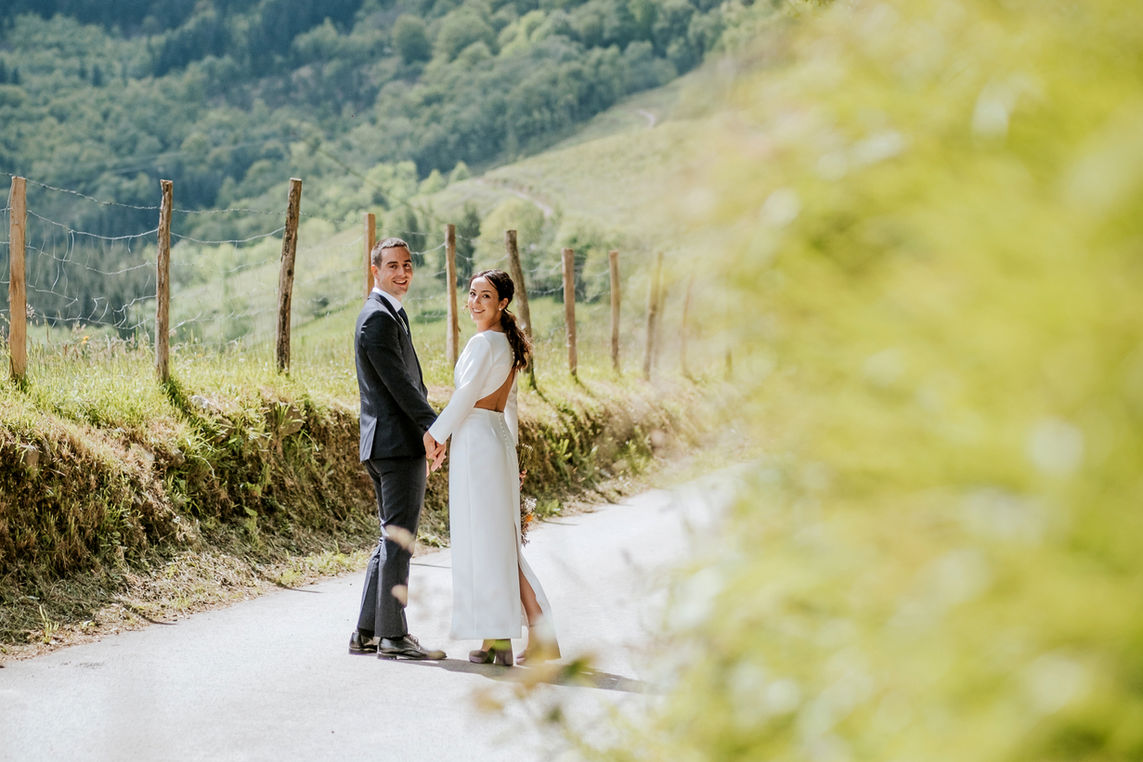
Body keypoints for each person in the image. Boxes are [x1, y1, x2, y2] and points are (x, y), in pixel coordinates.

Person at [425, 269, 560, 667]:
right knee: (497, 543)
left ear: (502, 303)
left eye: (485, 296)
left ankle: (516, 634)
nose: (475, 302)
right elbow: (511, 407)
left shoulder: (483, 343)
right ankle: (503, 636)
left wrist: (435, 435)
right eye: (471, 294)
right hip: (497, 441)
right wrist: (513, 455)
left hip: (478, 444)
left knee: (484, 541)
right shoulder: (508, 344)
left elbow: (465, 396)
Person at [349, 237, 447, 660]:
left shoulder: (389, 314)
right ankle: (394, 636)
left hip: (386, 443)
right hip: (396, 444)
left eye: (407, 265)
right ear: (376, 271)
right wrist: (433, 429)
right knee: (399, 540)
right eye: (392, 266)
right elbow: (401, 387)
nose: (402, 273)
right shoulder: (378, 319)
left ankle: (368, 632)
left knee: (389, 537)